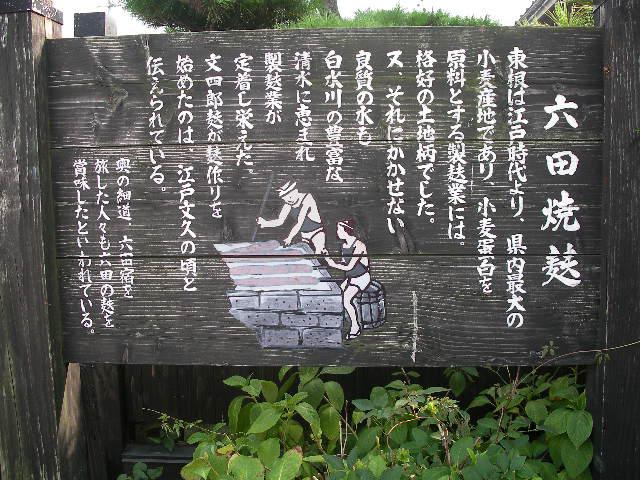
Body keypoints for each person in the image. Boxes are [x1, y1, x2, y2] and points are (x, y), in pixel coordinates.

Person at [324, 219, 371, 340]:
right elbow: (344, 264)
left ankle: (355, 327)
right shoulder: (344, 245)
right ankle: (344, 319)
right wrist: (328, 258)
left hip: (361, 277)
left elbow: (349, 266)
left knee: (346, 300)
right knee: (338, 293)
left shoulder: (359, 245)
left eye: (339, 229)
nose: (337, 232)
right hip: (351, 277)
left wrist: (331, 263)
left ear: (346, 231)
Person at [256, 180, 327, 254]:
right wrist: (265, 223)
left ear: (296, 191)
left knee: (319, 252)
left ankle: (328, 258)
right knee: (304, 254)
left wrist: (289, 238)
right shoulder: (288, 203)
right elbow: (280, 221)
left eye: (290, 196)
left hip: (316, 232)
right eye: (285, 198)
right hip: (304, 234)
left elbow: (299, 222)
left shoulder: (307, 198)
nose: (289, 200)